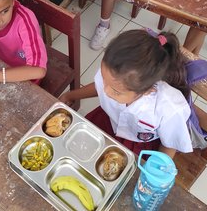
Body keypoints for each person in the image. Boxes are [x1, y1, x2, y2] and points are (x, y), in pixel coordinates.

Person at [59, 29, 192, 158]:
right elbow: (98, 86)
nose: (105, 91)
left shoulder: (169, 108)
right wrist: (70, 95)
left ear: (147, 90)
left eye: (116, 91)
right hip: (107, 121)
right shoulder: (113, 73)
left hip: (138, 143)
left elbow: (170, 144)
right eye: (104, 80)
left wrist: (157, 168)